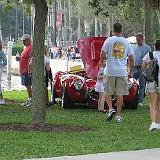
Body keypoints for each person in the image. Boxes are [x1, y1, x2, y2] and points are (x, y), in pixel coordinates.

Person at [100, 23, 134, 122]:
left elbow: (102, 53)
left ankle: (110, 109)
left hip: (110, 70)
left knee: (108, 92)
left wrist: (102, 61)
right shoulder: (126, 42)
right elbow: (131, 58)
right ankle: (118, 115)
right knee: (120, 94)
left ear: (113, 30)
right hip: (122, 71)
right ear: (121, 30)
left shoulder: (109, 40)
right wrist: (130, 71)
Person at [142, 40, 160, 131]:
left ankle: (153, 123)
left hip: (152, 81)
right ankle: (158, 123)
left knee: (152, 103)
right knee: (159, 104)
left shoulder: (150, 55)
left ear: (155, 46)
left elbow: (143, 67)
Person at [133, 33, 151, 106]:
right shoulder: (134, 47)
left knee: (142, 84)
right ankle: (132, 98)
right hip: (135, 68)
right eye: (136, 39)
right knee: (132, 84)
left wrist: (146, 68)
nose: (137, 40)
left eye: (138, 39)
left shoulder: (147, 48)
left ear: (142, 39)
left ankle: (140, 100)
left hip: (142, 68)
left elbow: (150, 59)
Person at [18, 34, 32, 107]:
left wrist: (26, 69)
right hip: (23, 70)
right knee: (26, 85)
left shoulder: (30, 47)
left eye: (24, 40)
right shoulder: (26, 47)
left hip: (26, 70)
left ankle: (31, 99)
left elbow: (30, 60)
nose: (23, 42)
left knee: (28, 85)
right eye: (22, 41)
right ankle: (30, 98)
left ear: (28, 40)